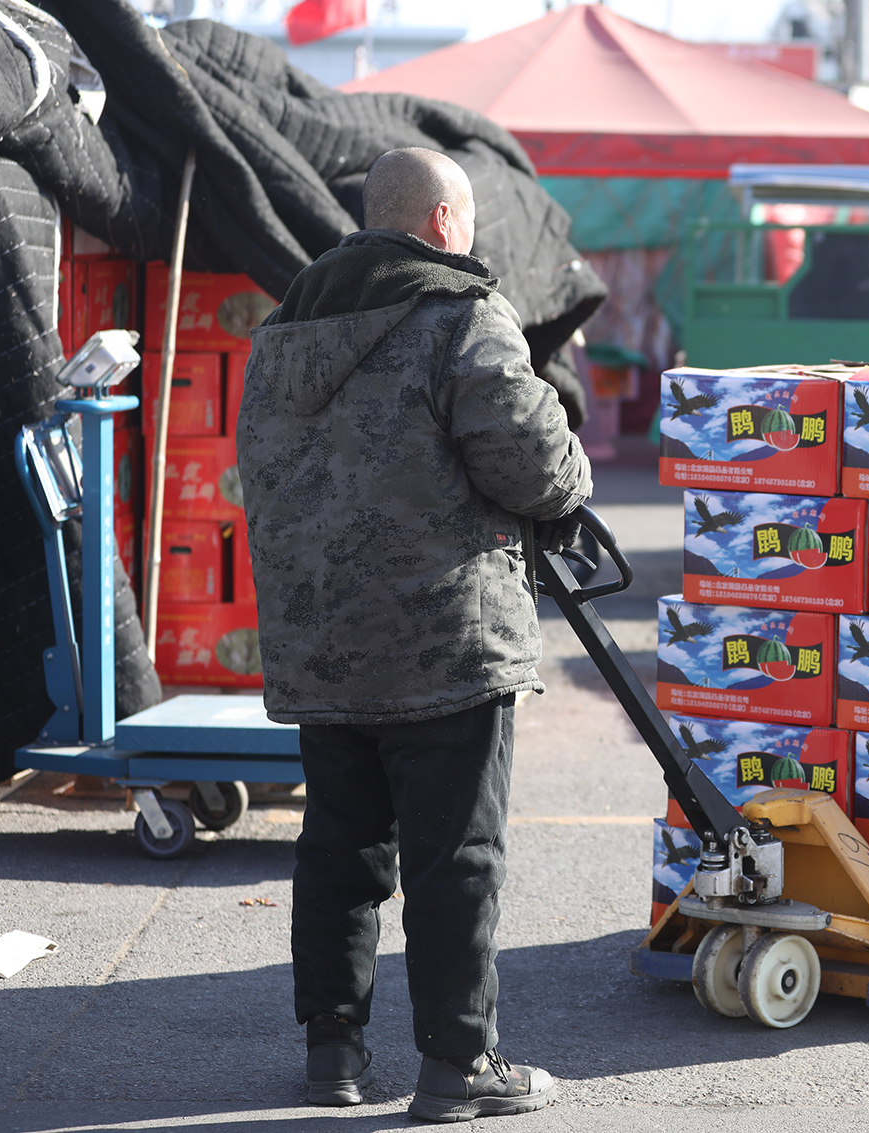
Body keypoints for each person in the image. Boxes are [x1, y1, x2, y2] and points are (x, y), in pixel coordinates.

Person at [239, 147, 591, 1119]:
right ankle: (457, 1063)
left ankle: (332, 1053)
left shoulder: (285, 329)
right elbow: (530, 461)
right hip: (442, 637)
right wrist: (571, 476)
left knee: (339, 848)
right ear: (441, 223)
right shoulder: (459, 315)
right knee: (456, 856)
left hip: (321, 639)